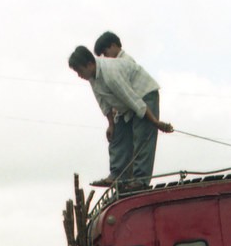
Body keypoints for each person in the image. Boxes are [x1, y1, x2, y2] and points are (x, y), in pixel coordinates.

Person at [68, 44, 173, 189]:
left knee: (142, 135)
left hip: (143, 94)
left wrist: (155, 122)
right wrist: (111, 124)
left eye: (80, 71)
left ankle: (140, 180)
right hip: (126, 103)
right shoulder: (92, 78)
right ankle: (118, 176)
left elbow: (133, 100)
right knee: (117, 134)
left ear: (90, 64)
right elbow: (103, 102)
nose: (79, 75)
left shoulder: (110, 73)